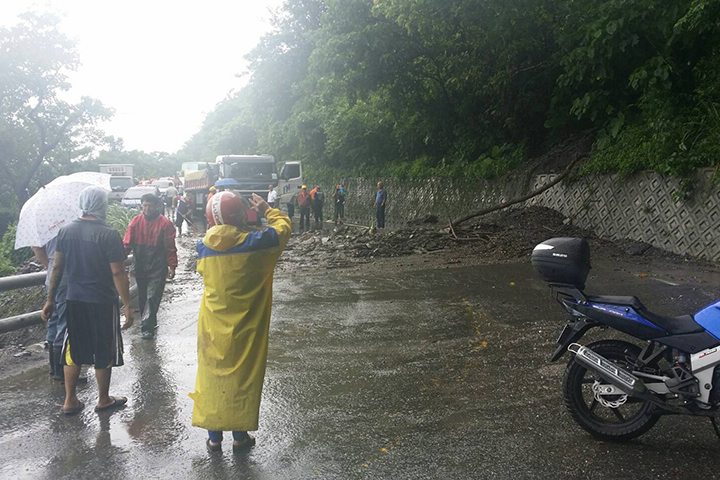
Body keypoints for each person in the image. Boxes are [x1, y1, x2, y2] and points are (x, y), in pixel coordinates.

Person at [190, 191, 291, 453]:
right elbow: (283, 228)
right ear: (240, 215)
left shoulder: (203, 247)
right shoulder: (259, 243)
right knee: (243, 378)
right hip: (246, 326)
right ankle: (240, 436)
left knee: (212, 377)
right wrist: (268, 209)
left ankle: (214, 439)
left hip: (212, 325)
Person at [41, 186, 133, 415]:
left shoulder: (65, 231)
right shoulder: (108, 233)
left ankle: (70, 400)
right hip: (102, 301)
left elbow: (57, 267)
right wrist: (128, 306)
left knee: (73, 349)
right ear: (102, 205)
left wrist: (50, 299)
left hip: (73, 299)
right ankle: (103, 399)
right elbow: (118, 273)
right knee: (104, 348)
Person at [123, 194, 178, 339]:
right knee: (143, 298)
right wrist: (119, 259)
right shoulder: (135, 222)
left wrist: (172, 266)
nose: (147, 208)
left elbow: (170, 247)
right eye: (145, 205)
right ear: (142, 205)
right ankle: (149, 321)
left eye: (150, 205)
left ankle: (146, 328)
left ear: (156, 206)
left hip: (158, 266)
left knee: (152, 296)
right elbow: (127, 243)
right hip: (140, 265)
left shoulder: (165, 224)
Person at [32, 238, 86, 384]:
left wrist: (50, 264)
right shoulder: (66, 227)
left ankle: (54, 368)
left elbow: (36, 247)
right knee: (64, 321)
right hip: (65, 276)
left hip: (51, 277)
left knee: (53, 320)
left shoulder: (42, 224)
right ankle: (62, 371)